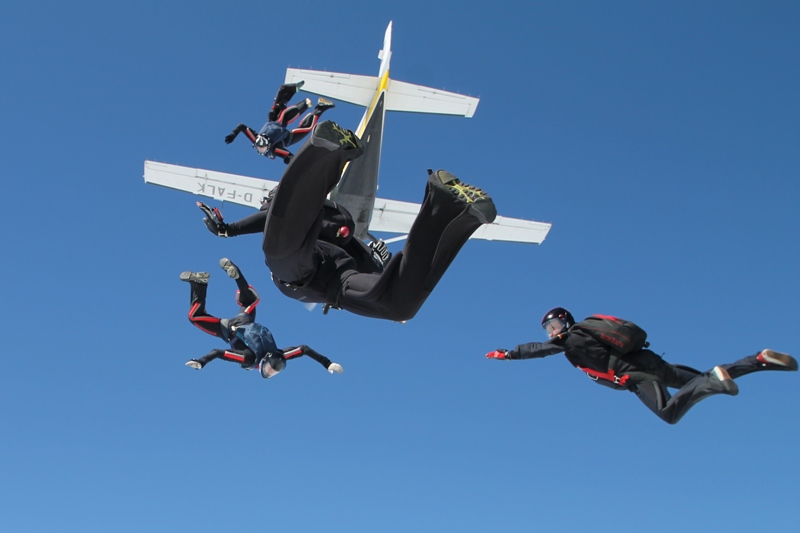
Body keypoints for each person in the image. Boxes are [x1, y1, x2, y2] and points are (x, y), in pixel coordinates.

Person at [201, 119, 497, 322]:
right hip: (337, 282)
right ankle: (449, 206)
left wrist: (230, 230)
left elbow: (271, 216)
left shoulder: (285, 216)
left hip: (306, 261)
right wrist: (381, 267)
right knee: (399, 307)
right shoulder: (337, 243)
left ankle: (325, 148)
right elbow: (372, 279)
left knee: (280, 250)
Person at [486, 307, 797, 424]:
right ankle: (758, 361)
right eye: (548, 329)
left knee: (669, 413)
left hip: (637, 375)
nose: (551, 333)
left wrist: (511, 354)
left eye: (553, 326)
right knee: (701, 376)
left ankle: (713, 384)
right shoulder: (584, 334)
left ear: (564, 322)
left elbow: (540, 350)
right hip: (651, 362)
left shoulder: (572, 338)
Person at [181, 257, 343, 379]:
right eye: (271, 370)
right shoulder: (249, 359)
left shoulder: (279, 354)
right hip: (228, 329)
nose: (269, 372)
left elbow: (304, 349)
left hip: (246, 320)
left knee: (249, 300)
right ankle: (201, 285)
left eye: (272, 372)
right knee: (194, 317)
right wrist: (201, 362)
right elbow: (219, 353)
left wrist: (327, 363)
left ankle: (226, 278)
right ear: (265, 360)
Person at [223, 81, 335, 163]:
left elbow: (242, 127)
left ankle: (303, 101)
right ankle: (320, 107)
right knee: (305, 128)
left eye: (260, 147)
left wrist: (233, 134)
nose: (261, 149)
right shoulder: (274, 149)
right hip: (287, 138)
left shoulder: (257, 138)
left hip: (275, 122)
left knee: (281, 110)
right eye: (260, 148)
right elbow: (287, 155)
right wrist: (289, 159)